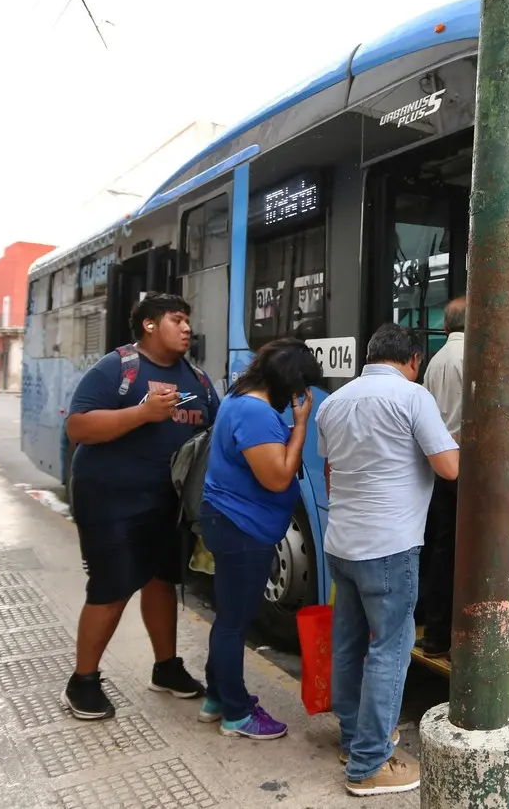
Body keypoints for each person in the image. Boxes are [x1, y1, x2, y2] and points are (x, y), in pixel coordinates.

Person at [61, 293, 221, 720]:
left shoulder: (198, 380)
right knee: (112, 588)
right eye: (177, 319)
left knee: (161, 581)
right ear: (150, 324)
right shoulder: (118, 367)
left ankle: (166, 667)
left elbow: (216, 434)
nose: (187, 328)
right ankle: (83, 681)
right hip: (109, 498)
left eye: (188, 321)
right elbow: (77, 427)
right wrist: (141, 413)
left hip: (167, 504)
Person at [316, 323, 459, 797]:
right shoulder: (412, 397)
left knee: (349, 644)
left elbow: (332, 472)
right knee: (390, 650)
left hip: (341, 544)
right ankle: (369, 764)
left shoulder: (333, 403)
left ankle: (354, 739)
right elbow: (449, 466)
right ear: (414, 360)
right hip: (389, 547)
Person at [198, 338, 322, 740]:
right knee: (235, 622)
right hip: (242, 528)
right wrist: (301, 425)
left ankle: (217, 697)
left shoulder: (240, 399)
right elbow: (278, 476)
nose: (301, 396)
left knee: (229, 617)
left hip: (232, 523)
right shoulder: (254, 412)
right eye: (302, 387)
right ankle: (235, 713)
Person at [417, 297, 465, 658]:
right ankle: (461, 641)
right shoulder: (476, 357)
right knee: (467, 557)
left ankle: (435, 635)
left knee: (440, 550)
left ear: (446, 327)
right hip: (467, 467)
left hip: (438, 463)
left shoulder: (434, 361)